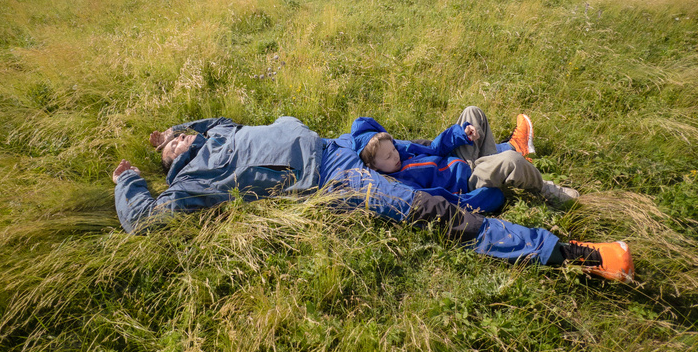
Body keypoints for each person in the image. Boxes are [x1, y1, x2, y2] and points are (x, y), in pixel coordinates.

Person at [112, 115, 634, 281]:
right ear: (170, 166)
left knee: (413, 150)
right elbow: (143, 220)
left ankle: (501, 157)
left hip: (339, 144)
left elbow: (207, 123)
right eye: (170, 149)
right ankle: (572, 254)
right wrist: (129, 180)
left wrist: (177, 130)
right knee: (429, 211)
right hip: (329, 178)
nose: (177, 143)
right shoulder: (191, 183)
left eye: (178, 137)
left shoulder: (219, 131)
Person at [351, 107, 580, 207]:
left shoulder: (399, 151)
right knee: (511, 160)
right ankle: (545, 189)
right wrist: (483, 197)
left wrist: (461, 133)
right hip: (467, 182)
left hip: (459, 159)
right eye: (388, 157)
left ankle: (498, 159)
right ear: (373, 166)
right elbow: (442, 201)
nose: (395, 156)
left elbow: (434, 149)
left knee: (472, 112)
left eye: (393, 149)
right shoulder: (398, 185)